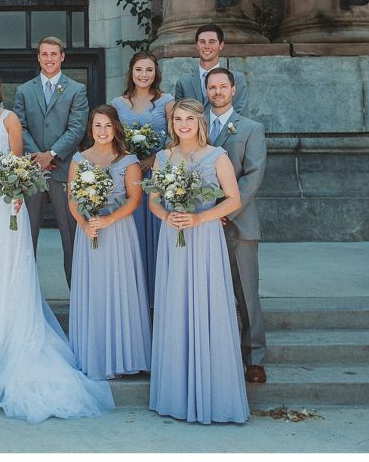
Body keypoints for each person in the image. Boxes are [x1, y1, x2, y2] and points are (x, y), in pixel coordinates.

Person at [0, 67, 114, 423]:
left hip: (3, 198)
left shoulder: (9, 120)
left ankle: (7, 323)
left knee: (6, 260)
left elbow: (17, 160)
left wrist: (15, 194)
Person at [147, 98, 248, 424]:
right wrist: (168, 215)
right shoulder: (163, 158)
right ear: (172, 123)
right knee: (175, 305)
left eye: (190, 118)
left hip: (204, 239)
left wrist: (200, 219)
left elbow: (233, 198)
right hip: (173, 238)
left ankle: (214, 394)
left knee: (209, 305)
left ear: (200, 122)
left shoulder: (217, 156)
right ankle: (176, 394)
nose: (184, 124)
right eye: (178, 119)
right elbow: (152, 202)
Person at [67, 106, 150, 379]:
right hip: (88, 230)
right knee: (94, 289)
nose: (102, 132)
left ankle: (123, 355)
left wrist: (107, 220)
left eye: (107, 126)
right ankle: (93, 354)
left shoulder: (128, 161)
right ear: (91, 129)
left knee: (119, 287)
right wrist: (84, 223)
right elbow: (71, 199)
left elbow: (135, 200)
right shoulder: (79, 160)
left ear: (115, 128)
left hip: (118, 231)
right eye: (97, 126)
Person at [206, 67, 268, 384]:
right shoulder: (196, 125)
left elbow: (253, 176)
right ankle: (219, 354)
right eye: (212, 87)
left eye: (222, 86)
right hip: (202, 225)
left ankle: (254, 358)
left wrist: (227, 210)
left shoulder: (251, 128)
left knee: (245, 294)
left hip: (238, 223)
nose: (217, 91)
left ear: (233, 90)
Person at [13, 36, 89, 286]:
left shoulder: (76, 90)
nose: (49, 59)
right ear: (38, 57)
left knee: (71, 238)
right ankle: (27, 300)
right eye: (44, 54)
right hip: (31, 172)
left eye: (53, 54)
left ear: (62, 57)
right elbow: (19, 127)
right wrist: (38, 157)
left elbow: (76, 129)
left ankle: (77, 298)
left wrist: (52, 155)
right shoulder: (24, 90)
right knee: (26, 238)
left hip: (64, 170)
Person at [110, 52, 174, 307]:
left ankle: (159, 297)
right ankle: (133, 298)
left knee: (158, 232)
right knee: (131, 233)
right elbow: (112, 139)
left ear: (156, 73)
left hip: (156, 174)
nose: (144, 75)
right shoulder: (118, 103)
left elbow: (174, 138)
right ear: (131, 72)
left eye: (149, 70)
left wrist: (154, 159)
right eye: (139, 69)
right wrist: (131, 161)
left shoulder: (167, 101)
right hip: (128, 176)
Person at [173, 24, 248, 115]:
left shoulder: (237, 79)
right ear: (196, 45)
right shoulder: (183, 82)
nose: (207, 46)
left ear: (221, 45)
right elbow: (178, 117)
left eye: (212, 42)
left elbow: (241, 116)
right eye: (202, 42)